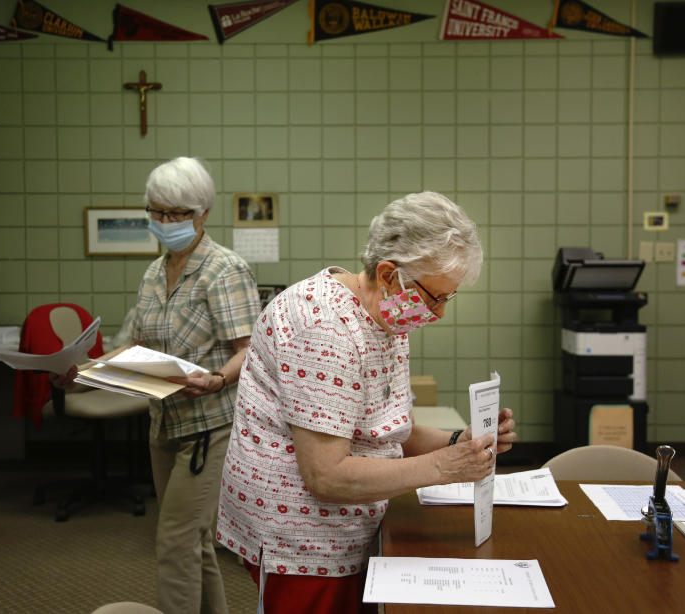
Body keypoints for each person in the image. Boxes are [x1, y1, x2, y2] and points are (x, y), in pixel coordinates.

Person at [217, 191, 517, 613]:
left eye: (447, 298)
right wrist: (441, 468)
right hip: (302, 539)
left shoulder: (385, 316)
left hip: (353, 522)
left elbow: (391, 431)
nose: (440, 312)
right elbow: (326, 476)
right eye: (436, 297)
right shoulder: (323, 329)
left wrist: (458, 442)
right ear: (389, 274)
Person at [56, 157, 262, 614]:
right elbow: (136, 347)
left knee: (175, 541)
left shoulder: (224, 271)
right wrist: (81, 374)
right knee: (195, 543)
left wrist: (217, 378)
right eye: (157, 212)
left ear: (203, 213)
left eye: (178, 213)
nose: (166, 223)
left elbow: (251, 350)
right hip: (165, 421)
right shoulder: (153, 273)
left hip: (212, 427)